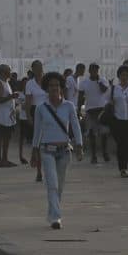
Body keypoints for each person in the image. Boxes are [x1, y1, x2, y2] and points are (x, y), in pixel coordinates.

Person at [30, 71, 83, 230]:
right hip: (47, 151)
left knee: (59, 186)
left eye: (57, 85)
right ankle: (56, 218)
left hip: (64, 151)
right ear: (46, 88)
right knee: (52, 184)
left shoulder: (69, 106)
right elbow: (37, 131)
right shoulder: (41, 108)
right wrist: (34, 150)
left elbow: (76, 126)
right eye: (51, 85)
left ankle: (52, 213)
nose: (54, 88)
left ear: (61, 88)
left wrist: (79, 145)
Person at [78, 63, 111, 165]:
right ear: (89, 71)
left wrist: (98, 81)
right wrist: (78, 109)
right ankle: (94, 156)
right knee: (92, 134)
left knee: (104, 133)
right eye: (93, 70)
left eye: (96, 70)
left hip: (101, 110)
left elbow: (104, 90)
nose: (94, 72)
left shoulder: (103, 80)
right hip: (90, 110)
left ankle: (105, 152)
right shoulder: (84, 82)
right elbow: (80, 96)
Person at [25, 60, 48, 182]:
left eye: (40, 67)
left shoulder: (48, 81)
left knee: (49, 143)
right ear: (33, 70)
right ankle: (39, 171)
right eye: (37, 68)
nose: (39, 70)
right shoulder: (30, 84)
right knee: (38, 143)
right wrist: (28, 116)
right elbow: (28, 101)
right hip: (36, 113)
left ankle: (49, 169)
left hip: (49, 113)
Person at [0, 64, 20, 167]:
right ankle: (1, 160)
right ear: (4, 72)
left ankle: (4, 159)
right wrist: (11, 96)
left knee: (6, 138)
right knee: (3, 138)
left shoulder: (6, 83)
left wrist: (13, 100)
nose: (10, 72)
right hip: (2, 117)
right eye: (9, 70)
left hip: (8, 116)